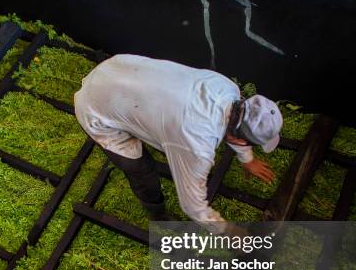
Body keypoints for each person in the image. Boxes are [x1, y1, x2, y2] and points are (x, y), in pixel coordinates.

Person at [74, 54, 282, 234]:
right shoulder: (196, 145)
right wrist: (228, 231)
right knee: (141, 170)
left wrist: (247, 158)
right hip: (95, 107)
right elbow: (192, 206)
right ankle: (159, 215)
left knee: (166, 131)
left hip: (118, 68)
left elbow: (237, 122)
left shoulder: (227, 86)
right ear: (239, 138)